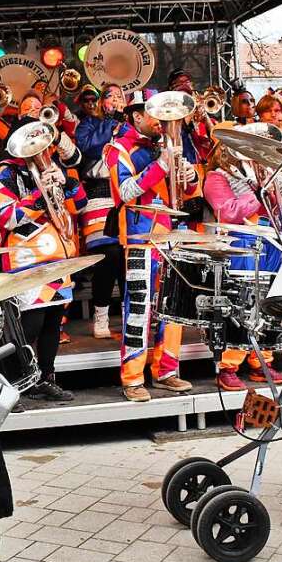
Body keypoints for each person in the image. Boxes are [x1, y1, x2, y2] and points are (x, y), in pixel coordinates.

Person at [0, 114, 86, 402]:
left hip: (58, 256)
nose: (40, 148)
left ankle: (45, 377)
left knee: (54, 321)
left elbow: (79, 205)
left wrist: (65, 182)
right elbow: (6, 216)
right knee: (31, 325)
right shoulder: (5, 173)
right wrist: (40, 197)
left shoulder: (53, 167)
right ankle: (11, 381)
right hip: (27, 259)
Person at [106, 99, 197, 402]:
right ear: (136, 116)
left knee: (173, 307)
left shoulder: (167, 144)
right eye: (154, 114)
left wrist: (187, 176)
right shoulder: (119, 149)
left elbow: (186, 194)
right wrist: (161, 166)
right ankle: (133, 377)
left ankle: (167, 371)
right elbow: (126, 192)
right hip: (138, 236)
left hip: (171, 234)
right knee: (139, 308)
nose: (161, 120)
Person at [203, 133, 282, 391]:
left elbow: (280, 210)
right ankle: (228, 365)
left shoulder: (254, 175)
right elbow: (227, 211)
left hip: (266, 242)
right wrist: (259, 192)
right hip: (238, 245)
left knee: (266, 302)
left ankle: (261, 360)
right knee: (239, 305)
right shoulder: (216, 177)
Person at [76, 84, 126, 339]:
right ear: (101, 103)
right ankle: (101, 318)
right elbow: (90, 149)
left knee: (129, 259)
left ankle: (132, 316)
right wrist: (111, 123)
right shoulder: (88, 124)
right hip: (98, 193)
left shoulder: (130, 124)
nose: (116, 100)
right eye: (110, 97)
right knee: (108, 256)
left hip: (126, 194)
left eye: (120, 97)